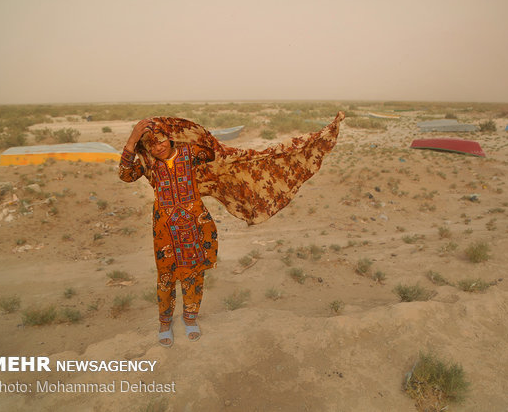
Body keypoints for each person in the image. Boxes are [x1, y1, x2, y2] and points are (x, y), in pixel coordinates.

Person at [119, 113, 344, 347]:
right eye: (151, 144)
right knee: (165, 276)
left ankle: (190, 317)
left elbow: (215, 152)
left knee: (194, 273)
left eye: (162, 140)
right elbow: (125, 175)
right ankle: (165, 322)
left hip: (194, 223)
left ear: (170, 137)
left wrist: (184, 133)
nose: (158, 147)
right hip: (164, 227)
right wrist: (132, 140)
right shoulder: (147, 163)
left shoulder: (189, 154)